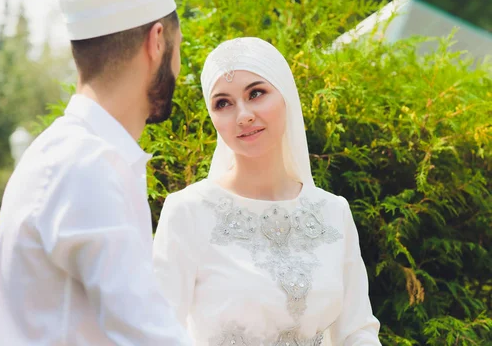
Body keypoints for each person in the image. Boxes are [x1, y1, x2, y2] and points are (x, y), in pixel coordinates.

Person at [0, 0, 191, 345]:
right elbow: (149, 336)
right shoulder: (87, 166)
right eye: (178, 49)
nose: (178, 68)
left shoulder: (78, 152)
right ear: (158, 41)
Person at [153, 37, 381, 345]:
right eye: (223, 103)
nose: (243, 115)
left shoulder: (332, 212)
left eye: (256, 93)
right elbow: (156, 332)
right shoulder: (188, 212)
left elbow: (357, 332)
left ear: (285, 95)